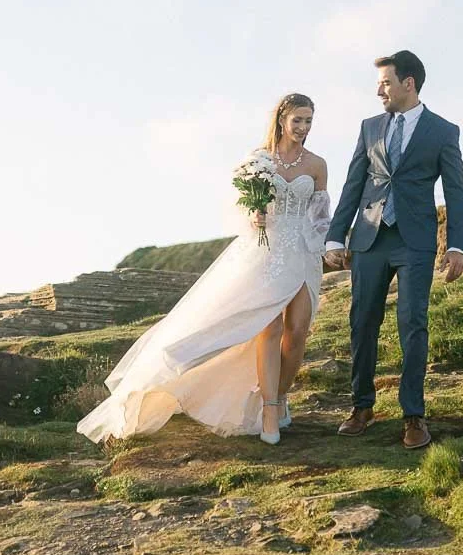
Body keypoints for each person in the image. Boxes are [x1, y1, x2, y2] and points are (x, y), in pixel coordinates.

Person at [78, 94, 331, 446]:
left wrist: (326, 248)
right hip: (265, 251)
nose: (303, 128)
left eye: (309, 121)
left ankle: (281, 393)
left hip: (302, 253)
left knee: (298, 331)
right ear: (281, 119)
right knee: (269, 328)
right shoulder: (257, 160)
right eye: (298, 120)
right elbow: (239, 206)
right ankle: (270, 407)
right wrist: (253, 215)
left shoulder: (317, 164)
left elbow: (319, 215)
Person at [323, 50, 463, 450]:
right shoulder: (370, 127)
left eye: (386, 82)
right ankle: (362, 406)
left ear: (409, 83)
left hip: (415, 240)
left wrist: (457, 245)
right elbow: (354, 183)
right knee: (362, 322)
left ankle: (413, 415)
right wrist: (337, 236)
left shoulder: (443, 131)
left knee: (412, 324)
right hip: (369, 238)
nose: (378, 90)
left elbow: (455, 191)